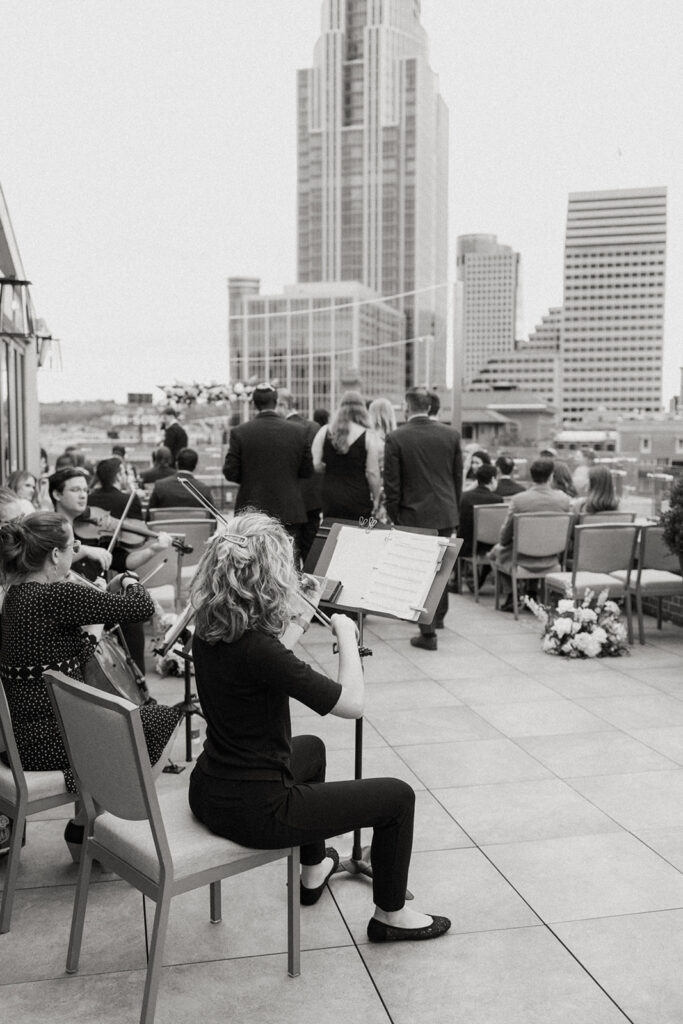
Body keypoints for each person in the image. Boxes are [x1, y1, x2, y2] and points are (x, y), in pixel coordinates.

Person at [187, 511, 450, 943]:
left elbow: (265, 665)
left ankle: (313, 870)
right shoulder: (257, 650)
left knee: (312, 748)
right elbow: (352, 704)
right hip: (259, 810)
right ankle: (391, 915)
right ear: (267, 576)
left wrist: (299, 621)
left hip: (211, 789)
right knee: (397, 797)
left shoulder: (213, 626)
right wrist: (346, 634)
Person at [0, 512, 180, 858]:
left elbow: (58, 662)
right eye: (72, 547)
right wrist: (127, 579)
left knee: (117, 727)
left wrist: (93, 629)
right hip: (55, 742)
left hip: (24, 741)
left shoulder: (15, 598)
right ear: (55, 555)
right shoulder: (58, 597)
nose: (74, 554)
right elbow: (140, 607)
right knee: (161, 719)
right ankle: (100, 821)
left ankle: (89, 822)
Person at [50, 467, 172, 674]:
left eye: (85, 490)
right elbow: (49, 563)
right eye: (75, 490)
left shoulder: (90, 529)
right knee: (129, 614)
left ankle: (137, 684)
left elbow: (124, 561)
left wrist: (153, 549)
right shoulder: (50, 532)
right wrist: (84, 550)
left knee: (131, 619)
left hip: (97, 601)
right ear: (57, 494)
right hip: (72, 610)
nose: (83, 495)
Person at [383, 387, 463, 650]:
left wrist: (396, 516)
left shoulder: (396, 437)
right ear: (429, 408)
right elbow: (457, 479)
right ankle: (437, 618)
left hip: (413, 513)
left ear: (407, 407)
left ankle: (427, 633)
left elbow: (392, 484)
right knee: (441, 567)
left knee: (420, 572)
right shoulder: (451, 435)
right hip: (445, 511)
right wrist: (453, 509)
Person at [223, 383, 313, 556]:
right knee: (288, 564)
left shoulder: (240, 432)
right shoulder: (299, 432)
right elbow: (307, 471)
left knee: (251, 563)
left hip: (251, 511)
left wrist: (251, 476)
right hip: (289, 509)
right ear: (275, 401)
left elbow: (230, 472)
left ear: (254, 404)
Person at [490, 458, 572, 612]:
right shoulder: (564, 500)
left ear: (531, 476)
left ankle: (511, 594)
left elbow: (504, 536)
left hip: (522, 560)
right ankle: (532, 592)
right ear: (551, 476)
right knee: (537, 542)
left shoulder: (519, 500)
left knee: (497, 552)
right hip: (553, 558)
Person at [311, 391, 381, 522]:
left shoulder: (324, 431)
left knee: (332, 535)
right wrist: (376, 498)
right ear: (362, 410)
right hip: (358, 496)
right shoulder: (368, 436)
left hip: (330, 495)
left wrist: (331, 469)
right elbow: (372, 473)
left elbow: (315, 465)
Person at [275, 389, 323, 567]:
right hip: (312, 499)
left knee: (289, 555)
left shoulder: (281, 430)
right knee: (312, 552)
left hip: (289, 501)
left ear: (283, 405)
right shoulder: (314, 427)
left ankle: (293, 591)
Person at [458, 464, 504, 590]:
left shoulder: (465, 497)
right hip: (489, 546)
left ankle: (458, 579)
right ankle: (480, 579)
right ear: (493, 479)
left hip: (466, 545)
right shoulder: (498, 499)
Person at [147, 448, 213, 510]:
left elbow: (149, 517)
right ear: (195, 466)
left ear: (176, 464)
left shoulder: (160, 486)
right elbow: (212, 519)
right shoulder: (204, 490)